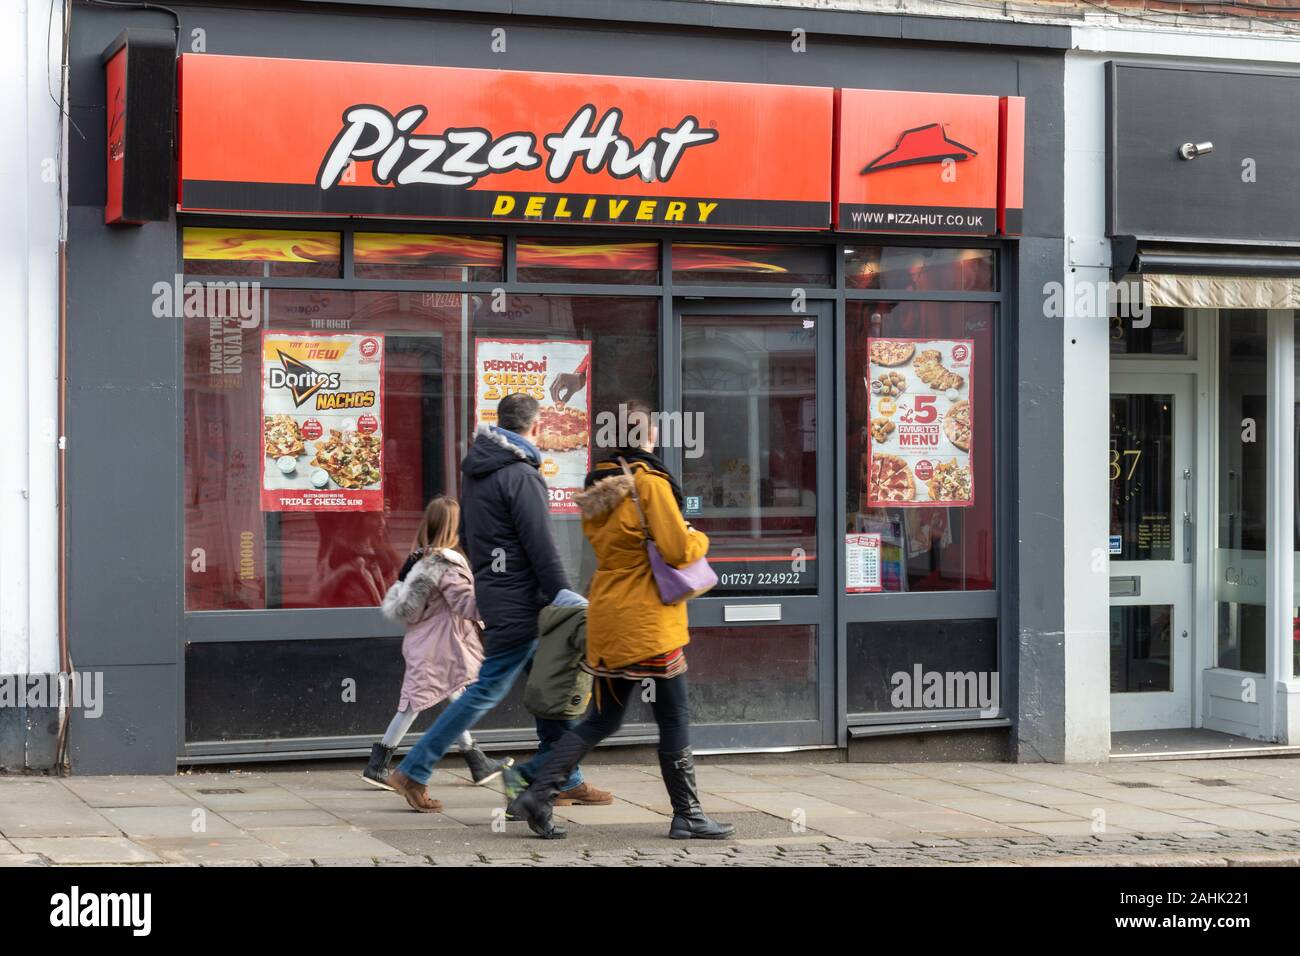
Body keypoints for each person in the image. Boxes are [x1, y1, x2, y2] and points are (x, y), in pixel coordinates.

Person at [507, 400, 734, 840]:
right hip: (649, 619)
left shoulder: (597, 485)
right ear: (650, 437)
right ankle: (687, 814)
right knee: (674, 717)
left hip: (608, 615)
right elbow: (676, 550)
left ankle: (537, 793)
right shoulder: (649, 483)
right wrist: (698, 536)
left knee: (602, 719)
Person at [384, 393, 613, 812]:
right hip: (525, 603)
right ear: (536, 426)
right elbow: (540, 543)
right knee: (487, 690)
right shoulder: (521, 475)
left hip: (501, 595)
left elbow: (468, 538)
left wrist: (491, 581)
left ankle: (565, 776)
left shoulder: (477, 472)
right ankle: (413, 769)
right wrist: (565, 595)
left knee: (553, 685)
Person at [363, 496, 512, 795]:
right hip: (441, 645)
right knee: (413, 704)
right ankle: (378, 765)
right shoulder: (447, 565)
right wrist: (496, 595)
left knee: (451, 696)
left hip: (428, 643)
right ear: (452, 526)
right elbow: (467, 605)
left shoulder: (421, 560)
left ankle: (476, 760)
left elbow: (405, 604)